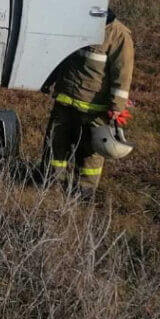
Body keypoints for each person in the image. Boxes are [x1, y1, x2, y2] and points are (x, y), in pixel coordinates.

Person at [42, 10, 135, 198]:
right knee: (56, 144)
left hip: (95, 111)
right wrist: (47, 79)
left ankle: (84, 191)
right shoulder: (80, 24)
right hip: (65, 101)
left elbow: (123, 75)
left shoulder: (119, 35)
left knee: (90, 154)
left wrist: (117, 107)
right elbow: (62, 58)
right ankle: (50, 183)